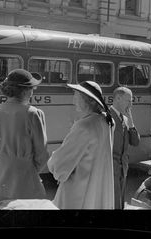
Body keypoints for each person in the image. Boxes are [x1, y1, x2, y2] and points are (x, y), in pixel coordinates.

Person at [0, 69, 49, 206]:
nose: (32, 92)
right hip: (26, 180)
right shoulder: (33, 113)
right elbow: (42, 154)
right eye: (32, 88)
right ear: (25, 91)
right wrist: (29, 169)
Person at [47, 81, 115, 209]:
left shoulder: (84, 126)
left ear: (91, 101)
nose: (74, 101)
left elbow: (59, 163)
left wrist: (56, 167)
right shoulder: (107, 122)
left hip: (79, 193)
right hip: (98, 189)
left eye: (77, 97)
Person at [109, 87, 140, 209]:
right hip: (110, 168)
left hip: (123, 168)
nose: (131, 104)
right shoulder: (107, 117)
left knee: (120, 203)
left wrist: (131, 122)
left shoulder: (126, 119)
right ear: (118, 98)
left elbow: (135, 142)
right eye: (128, 101)